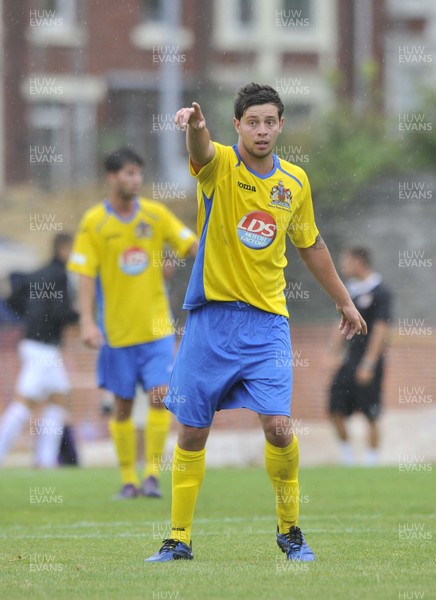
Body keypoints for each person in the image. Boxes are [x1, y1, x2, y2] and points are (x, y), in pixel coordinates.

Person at [145, 83, 367, 563]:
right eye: (253, 122)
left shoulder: (296, 183)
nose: (262, 130)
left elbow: (311, 245)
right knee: (191, 432)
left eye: (270, 122)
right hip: (209, 321)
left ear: (281, 125)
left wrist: (344, 301)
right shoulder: (221, 164)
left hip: (268, 324)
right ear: (237, 126)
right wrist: (196, 129)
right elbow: (200, 153)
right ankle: (178, 538)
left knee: (280, 428)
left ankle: (291, 533)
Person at [68, 148, 198, 499]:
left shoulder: (155, 215)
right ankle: (128, 480)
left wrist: (223, 249)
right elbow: (83, 273)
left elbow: (192, 246)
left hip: (156, 328)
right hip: (116, 332)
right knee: (122, 406)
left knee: (160, 397)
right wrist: (86, 323)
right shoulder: (94, 221)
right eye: (128, 173)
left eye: (139, 173)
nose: (135, 180)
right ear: (111, 177)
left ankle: (153, 475)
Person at [0, 233, 79, 467]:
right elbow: (59, 312)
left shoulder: (41, 273)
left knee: (59, 399)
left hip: (41, 346)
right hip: (41, 348)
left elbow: (17, 299)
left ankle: (44, 460)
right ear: (63, 249)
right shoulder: (59, 275)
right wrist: (80, 316)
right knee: (24, 403)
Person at [328, 247, 392, 466]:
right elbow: (341, 323)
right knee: (334, 408)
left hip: (370, 362)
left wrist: (368, 363)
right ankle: (348, 458)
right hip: (349, 361)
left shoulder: (381, 291)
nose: (342, 266)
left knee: (370, 413)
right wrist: (333, 352)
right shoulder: (350, 292)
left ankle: (372, 462)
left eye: (346, 262)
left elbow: (381, 329)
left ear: (359, 262)